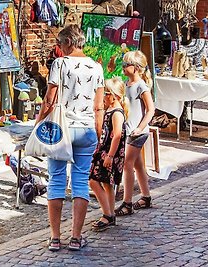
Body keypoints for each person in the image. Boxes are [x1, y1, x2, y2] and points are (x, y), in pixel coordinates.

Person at [36, 24, 104, 251]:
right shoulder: (96, 67)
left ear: (69, 42)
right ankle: (76, 237)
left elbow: (49, 98)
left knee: (56, 180)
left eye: (60, 44)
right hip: (86, 130)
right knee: (80, 182)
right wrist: (99, 131)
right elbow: (99, 106)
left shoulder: (61, 64)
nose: (59, 49)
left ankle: (55, 238)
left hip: (62, 129)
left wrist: (38, 123)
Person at [114, 51, 155, 216]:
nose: (123, 67)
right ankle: (146, 196)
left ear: (137, 68)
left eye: (127, 65)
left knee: (127, 164)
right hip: (130, 130)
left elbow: (150, 109)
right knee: (138, 165)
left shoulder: (141, 86)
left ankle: (127, 202)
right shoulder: (127, 84)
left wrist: (140, 127)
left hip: (137, 132)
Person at [89, 77, 128, 231]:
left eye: (106, 93)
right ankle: (110, 212)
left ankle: (107, 213)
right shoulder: (110, 110)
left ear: (114, 95)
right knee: (106, 183)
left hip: (110, 153)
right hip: (104, 151)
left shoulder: (117, 113)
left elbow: (117, 135)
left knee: (93, 180)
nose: (103, 96)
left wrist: (110, 155)